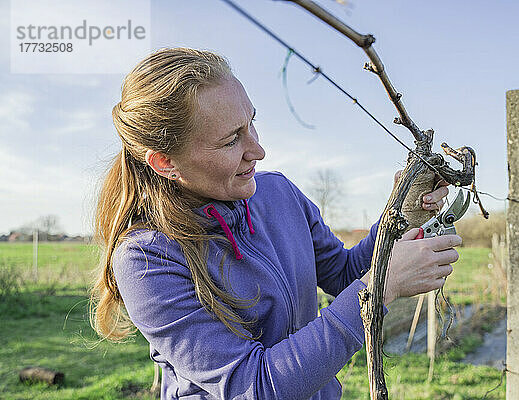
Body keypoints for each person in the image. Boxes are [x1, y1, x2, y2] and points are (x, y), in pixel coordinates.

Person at [90, 47, 460, 400]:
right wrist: (379, 290)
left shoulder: (278, 193)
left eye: (251, 123)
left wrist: (398, 215)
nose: (258, 149)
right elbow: (258, 387)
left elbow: (344, 273)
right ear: (165, 163)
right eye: (231, 140)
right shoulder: (147, 260)